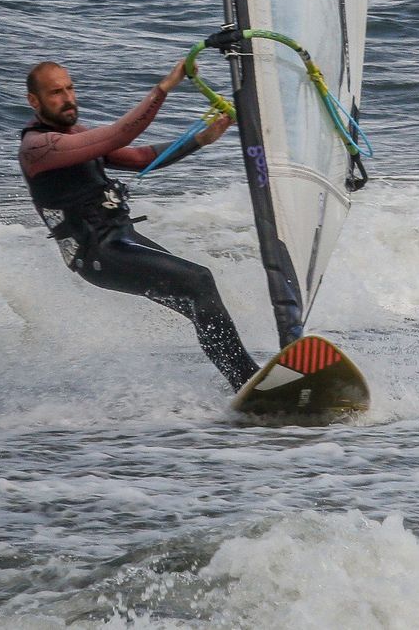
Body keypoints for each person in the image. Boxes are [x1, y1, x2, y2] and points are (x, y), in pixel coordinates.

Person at [18, 59, 259, 390]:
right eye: (56, 92)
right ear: (35, 101)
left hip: (121, 239)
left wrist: (202, 138)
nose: (68, 97)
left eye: (70, 88)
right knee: (199, 281)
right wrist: (165, 87)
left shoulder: (74, 134)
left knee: (198, 299)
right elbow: (121, 133)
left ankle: (245, 383)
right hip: (97, 254)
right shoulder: (38, 148)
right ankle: (249, 381)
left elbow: (141, 157)